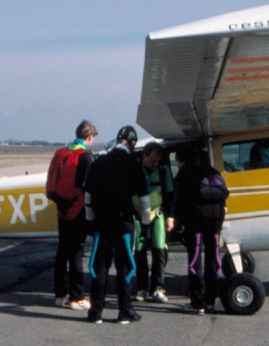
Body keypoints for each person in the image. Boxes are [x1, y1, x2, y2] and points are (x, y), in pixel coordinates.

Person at [84, 125, 151, 324]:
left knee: (100, 266)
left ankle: (96, 311)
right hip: (124, 223)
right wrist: (146, 225)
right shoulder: (134, 164)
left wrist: (89, 221)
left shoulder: (98, 161)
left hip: (102, 221)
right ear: (132, 143)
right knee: (126, 265)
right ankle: (125, 311)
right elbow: (145, 200)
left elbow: (88, 196)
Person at [46, 119, 97, 310]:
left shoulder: (62, 153)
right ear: (89, 137)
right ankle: (77, 297)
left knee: (62, 251)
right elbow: (89, 186)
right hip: (78, 211)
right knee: (77, 252)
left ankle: (60, 295)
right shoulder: (85, 156)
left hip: (62, 210)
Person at [175, 148, 229, 314]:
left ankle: (197, 302)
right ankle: (211, 300)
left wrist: (179, 224)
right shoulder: (213, 172)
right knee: (213, 258)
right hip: (215, 219)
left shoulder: (185, 173)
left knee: (195, 260)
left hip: (195, 220)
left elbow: (178, 201)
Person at [132, 141, 174, 303]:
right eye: (151, 160)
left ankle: (157, 288)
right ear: (144, 156)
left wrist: (170, 217)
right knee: (140, 253)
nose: (154, 163)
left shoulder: (163, 171)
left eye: (157, 161)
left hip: (157, 216)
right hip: (138, 217)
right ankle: (142, 288)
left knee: (160, 251)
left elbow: (170, 195)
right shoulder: (135, 171)